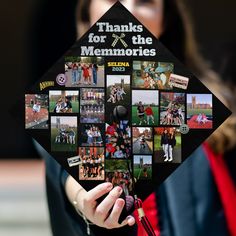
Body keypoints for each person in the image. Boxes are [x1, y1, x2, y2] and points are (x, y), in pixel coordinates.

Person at [38, 0, 236, 236]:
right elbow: (64, 170)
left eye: (145, 1)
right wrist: (85, 201)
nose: (128, 11)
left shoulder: (207, 102)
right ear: (87, 14)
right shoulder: (63, 101)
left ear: (166, 19)